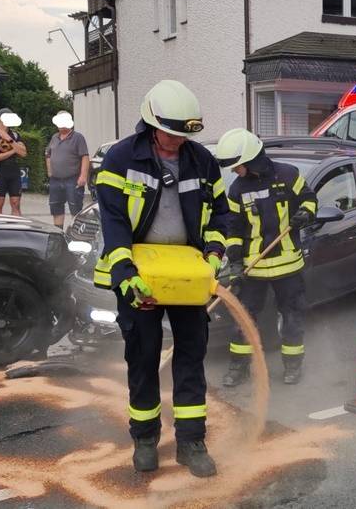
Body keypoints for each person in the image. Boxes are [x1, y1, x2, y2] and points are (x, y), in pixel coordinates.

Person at [93, 80, 229, 478]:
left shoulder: (202, 161)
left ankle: (191, 441)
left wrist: (216, 253)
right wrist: (125, 274)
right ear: (152, 124)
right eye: (172, 134)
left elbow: (221, 214)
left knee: (191, 356)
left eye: (185, 135)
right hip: (140, 275)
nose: (178, 142)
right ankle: (145, 439)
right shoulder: (120, 159)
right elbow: (113, 221)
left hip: (187, 277)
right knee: (143, 355)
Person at [213, 128, 316, 387]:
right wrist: (235, 262)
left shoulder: (289, 175)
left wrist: (305, 213)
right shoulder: (236, 190)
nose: (235, 172)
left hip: (288, 264)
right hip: (252, 268)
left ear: (251, 159)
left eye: (238, 167)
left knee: (292, 316)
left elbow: (309, 199)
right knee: (243, 319)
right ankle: (239, 368)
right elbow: (234, 230)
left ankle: (293, 366)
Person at [46, 111, 90, 228]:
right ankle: (58, 234)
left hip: (72, 179)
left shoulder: (78, 137)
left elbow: (85, 157)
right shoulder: (54, 137)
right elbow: (48, 154)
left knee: (75, 208)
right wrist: (49, 171)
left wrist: (83, 176)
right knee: (56, 208)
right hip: (55, 179)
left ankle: (75, 235)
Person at [0, 108, 27, 216]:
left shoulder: (15, 135)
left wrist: (9, 139)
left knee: (16, 203)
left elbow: (23, 153)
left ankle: (18, 228)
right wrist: (13, 150)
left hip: (13, 171)